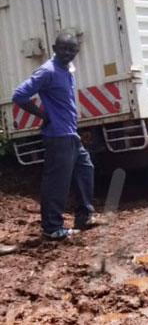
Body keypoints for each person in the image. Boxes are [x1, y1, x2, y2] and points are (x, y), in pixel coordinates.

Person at [12, 32, 98, 240]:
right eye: (63, 48)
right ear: (54, 47)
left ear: (76, 51)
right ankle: (52, 228)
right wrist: (43, 115)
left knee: (85, 169)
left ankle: (83, 216)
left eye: (71, 49)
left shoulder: (66, 69)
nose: (67, 53)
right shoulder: (47, 71)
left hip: (70, 132)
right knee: (57, 182)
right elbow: (19, 95)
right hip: (58, 135)